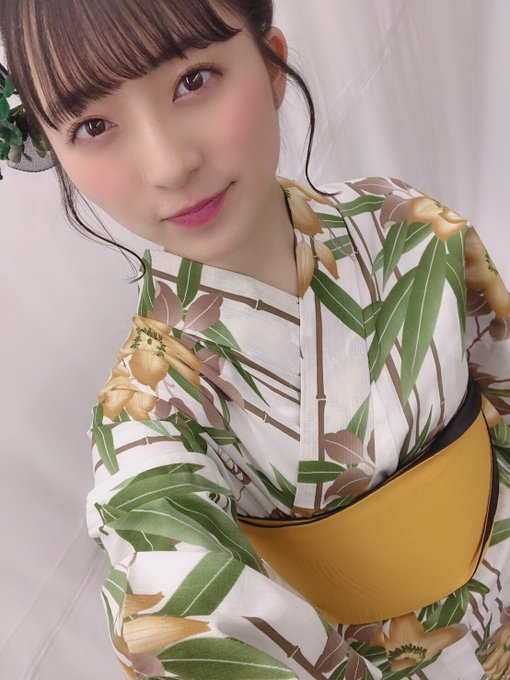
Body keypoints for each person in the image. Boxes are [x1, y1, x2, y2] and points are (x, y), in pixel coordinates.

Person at [1, 1, 509, 678]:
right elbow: (178, 622)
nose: (169, 165)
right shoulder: (147, 419)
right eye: (93, 125)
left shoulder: (403, 219)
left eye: (193, 80)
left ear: (272, 65)